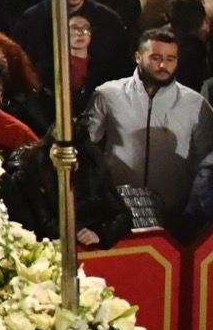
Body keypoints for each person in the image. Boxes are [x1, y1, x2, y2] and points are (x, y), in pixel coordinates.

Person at [82, 27, 213, 235]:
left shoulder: (197, 105)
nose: (163, 65)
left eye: (171, 59)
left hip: (176, 216)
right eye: (155, 57)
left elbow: (204, 163)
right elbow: (87, 149)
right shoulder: (107, 94)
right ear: (138, 56)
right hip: (117, 213)